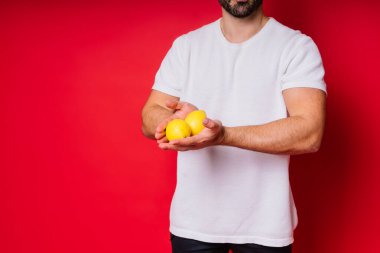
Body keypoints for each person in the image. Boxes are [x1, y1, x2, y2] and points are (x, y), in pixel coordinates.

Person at [141, 0, 327, 252]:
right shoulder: (187, 47)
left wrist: (223, 135)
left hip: (265, 226)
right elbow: (150, 115)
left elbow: (310, 133)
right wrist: (170, 122)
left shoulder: (296, 47)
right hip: (194, 222)